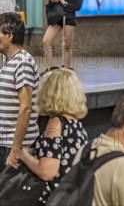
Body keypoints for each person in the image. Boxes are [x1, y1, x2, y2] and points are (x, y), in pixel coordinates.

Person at [16, 68, 88, 205]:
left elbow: (47, 171)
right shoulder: (76, 125)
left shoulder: (55, 124)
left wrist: (23, 155)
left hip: (52, 200)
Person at [0, 12, 39, 170]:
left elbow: (26, 108)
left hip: (14, 147)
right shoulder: (6, 61)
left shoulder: (22, 63)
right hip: (4, 143)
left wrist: (16, 149)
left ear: (9, 36)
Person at [42, 0, 84, 69]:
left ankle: (67, 69)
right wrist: (53, 0)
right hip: (58, 17)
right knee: (46, 41)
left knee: (67, 45)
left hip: (69, 18)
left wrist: (64, 2)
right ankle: (50, 68)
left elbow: (77, 7)